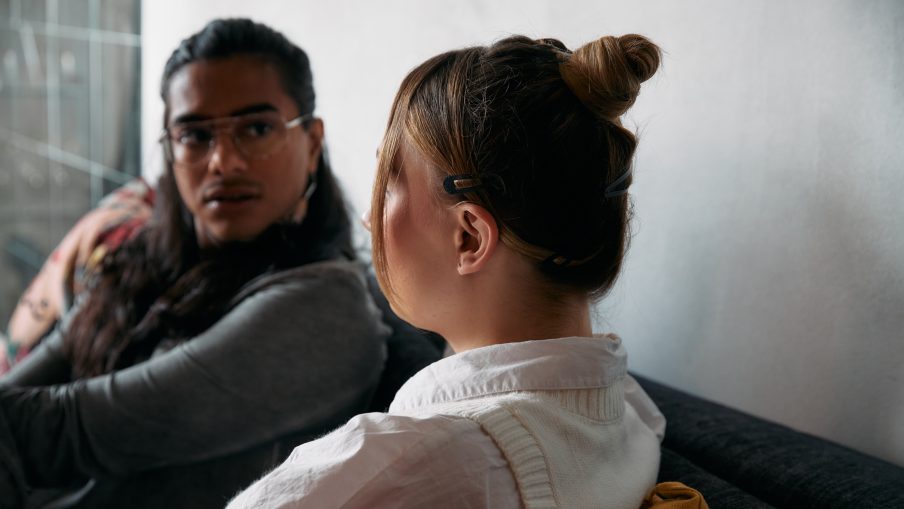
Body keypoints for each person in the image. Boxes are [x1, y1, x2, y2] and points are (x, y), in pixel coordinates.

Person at [228, 33, 668, 508]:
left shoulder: (416, 464)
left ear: (469, 237)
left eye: (387, 187)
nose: (367, 218)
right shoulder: (630, 413)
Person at [0, 18, 397, 508]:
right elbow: (27, 388)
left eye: (256, 129)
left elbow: (69, 433)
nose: (223, 162)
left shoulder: (325, 305)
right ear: (170, 148)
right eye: (195, 135)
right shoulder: (143, 257)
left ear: (312, 143)